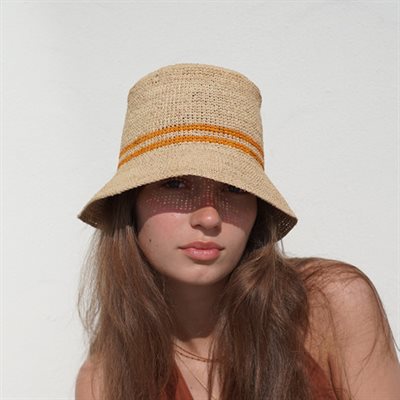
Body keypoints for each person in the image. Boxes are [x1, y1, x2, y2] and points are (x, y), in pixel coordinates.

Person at [75, 63, 400, 400]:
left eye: (234, 188)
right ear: (130, 203)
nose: (209, 217)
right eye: (175, 184)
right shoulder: (106, 382)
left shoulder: (330, 306)